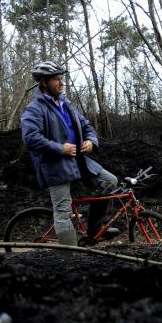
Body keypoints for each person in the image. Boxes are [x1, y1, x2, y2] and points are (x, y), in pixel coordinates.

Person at [20, 61, 118, 246]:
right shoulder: (34, 109)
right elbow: (31, 138)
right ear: (44, 83)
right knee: (63, 211)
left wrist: (91, 141)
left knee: (110, 181)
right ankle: (72, 255)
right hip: (54, 165)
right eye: (56, 79)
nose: (61, 82)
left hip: (79, 160)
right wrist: (60, 148)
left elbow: (86, 125)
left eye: (61, 78)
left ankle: (94, 230)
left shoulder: (66, 104)